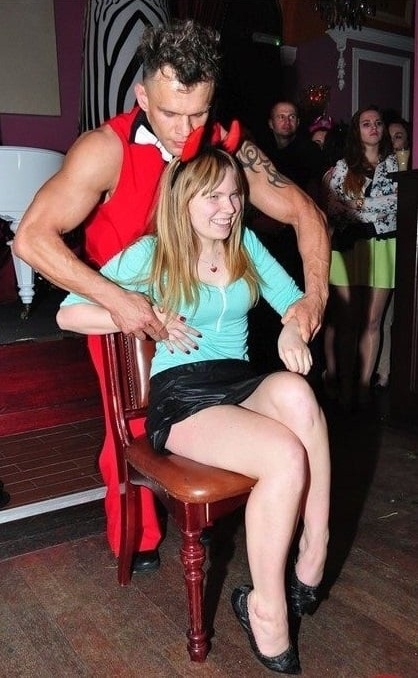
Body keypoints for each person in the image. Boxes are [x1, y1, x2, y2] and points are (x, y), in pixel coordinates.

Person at [13, 20, 330, 573]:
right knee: (129, 430)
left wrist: (311, 301)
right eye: (169, 113)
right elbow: (32, 238)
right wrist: (121, 302)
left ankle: (243, 525)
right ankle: (136, 537)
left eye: (198, 114)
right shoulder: (104, 149)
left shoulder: (228, 145)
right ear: (142, 97)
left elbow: (306, 213)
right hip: (115, 293)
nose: (186, 131)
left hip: (206, 304)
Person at [57, 143, 330, 675]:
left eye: (234, 195)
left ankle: (315, 546)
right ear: (183, 200)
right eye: (214, 197)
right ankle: (266, 608)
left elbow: (292, 301)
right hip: (182, 394)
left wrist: (293, 331)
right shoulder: (151, 253)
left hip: (238, 378)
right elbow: (69, 314)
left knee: (299, 394)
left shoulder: (243, 243)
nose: (229, 208)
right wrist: (144, 315)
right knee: (283, 455)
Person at [322, 105, 398, 409]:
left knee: (372, 321)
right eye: (366, 123)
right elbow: (333, 206)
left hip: (384, 245)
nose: (374, 127)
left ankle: (364, 386)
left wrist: (360, 205)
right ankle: (345, 386)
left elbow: (399, 202)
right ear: (357, 130)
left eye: (378, 122)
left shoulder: (396, 164)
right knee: (347, 321)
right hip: (348, 246)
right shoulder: (343, 166)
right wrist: (375, 206)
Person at [374, 116, 410, 390]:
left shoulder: (410, 173)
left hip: (407, 249)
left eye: (399, 136)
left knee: (402, 313)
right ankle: (382, 372)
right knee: (381, 316)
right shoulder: (381, 170)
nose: (394, 141)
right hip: (384, 247)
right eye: (391, 136)